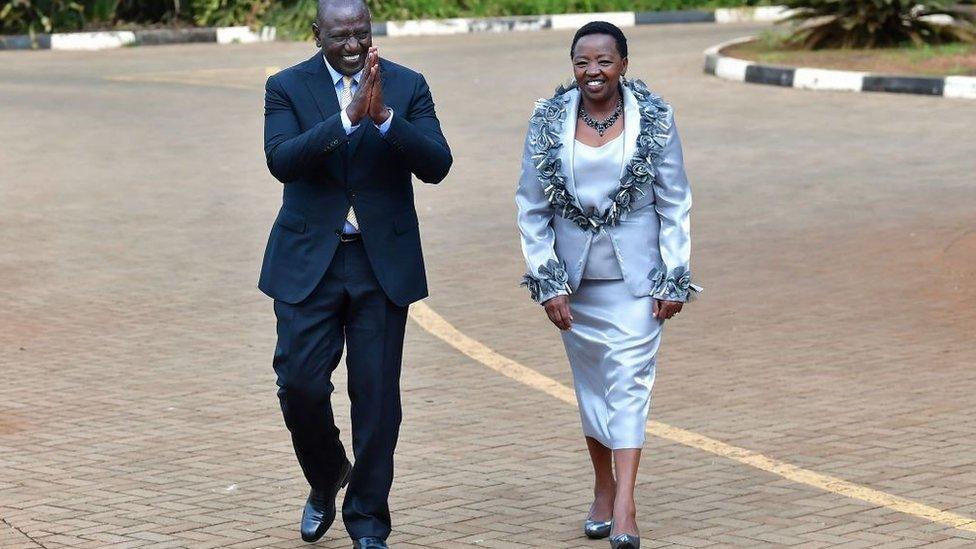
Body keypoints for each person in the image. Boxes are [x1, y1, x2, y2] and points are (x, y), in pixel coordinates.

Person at [259, 0, 452, 545]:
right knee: (298, 385)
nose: (352, 46)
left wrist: (387, 119)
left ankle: (367, 521)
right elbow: (281, 160)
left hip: (379, 265)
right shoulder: (286, 87)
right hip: (308, 265)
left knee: (376, 400)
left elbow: (438, 164)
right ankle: (326, 477)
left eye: (361, 34)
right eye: (340, 35)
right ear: (317, 34)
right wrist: (346, 120)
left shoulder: (407, 85)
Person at [515, 21, 699, 549]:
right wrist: (547, 281)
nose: (592, 72)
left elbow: (675, 202)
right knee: (592, 388)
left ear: (623, 64)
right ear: (572, 66)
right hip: (576, 286)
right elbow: (530, 206)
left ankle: (625, 505)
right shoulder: (547, 121)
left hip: (638, 282)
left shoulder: (655, 121)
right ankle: (601, 486)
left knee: (629, 384)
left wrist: (675, 274)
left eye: (603, 61)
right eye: (581, 63)